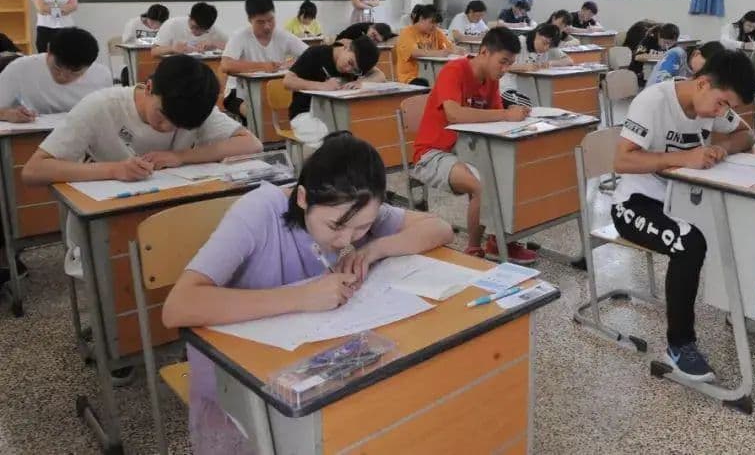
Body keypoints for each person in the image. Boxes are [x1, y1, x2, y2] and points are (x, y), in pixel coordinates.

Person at [161, 133, 453, 454]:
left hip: (312, 361)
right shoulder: (259, 212)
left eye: (361, 227)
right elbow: (178, 306)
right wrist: (301, 297)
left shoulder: (356, 209)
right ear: (303, 198)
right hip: (242, 377)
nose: (346, 240)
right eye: (334, 227)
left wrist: (373, 249)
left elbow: (439, 227)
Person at [612, 49, 755, 381]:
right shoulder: (653, 101)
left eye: (728, 108)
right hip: (635, 204)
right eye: (722, 104)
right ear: (703, 83)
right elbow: (622, 161)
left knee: (743, 221)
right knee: (688, 243)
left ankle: (744, 307)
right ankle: (679, 345)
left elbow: (746, 134)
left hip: (682, 201)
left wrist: (722, 147)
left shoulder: (710, 104)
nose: (721, 113)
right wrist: (683, 158)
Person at [22, 54, 261, 186]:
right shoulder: (101, 106)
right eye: (163, 115)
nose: (167, 128)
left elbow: (251, 144)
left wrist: (180, 156)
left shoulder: (193, 104)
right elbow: (33, 170)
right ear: (148, 88)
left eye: (179, 125)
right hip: (108, 210)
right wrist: (114, 169)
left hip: (171, 200)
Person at [412, 27, 535, 263]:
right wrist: (505, 114)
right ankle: (474, 249)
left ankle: (499, 241)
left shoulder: (491, 80)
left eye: (510, 64)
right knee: (482, 185)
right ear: (484, 52)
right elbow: (454, 114)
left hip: (465, 150)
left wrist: (511, 114)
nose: (505, 69)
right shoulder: (454, 70)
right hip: (433, 154)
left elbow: (496, 119)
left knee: (511, 173)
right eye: (503, 62)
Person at [221, 0, 308, 123]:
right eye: (260, 22)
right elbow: (226, 65)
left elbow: (310, 54)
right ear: (250, 20)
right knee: (255, 114)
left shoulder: (282, 35)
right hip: (239, 92)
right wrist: (263, 66)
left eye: (271, 20)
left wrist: (292, 63)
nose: (267, 26)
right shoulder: (240, 36)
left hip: (275, 90)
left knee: (298, 107)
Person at [0, 27, 111, 123]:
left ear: (89, 66)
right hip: (34, 135)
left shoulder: (102, 76)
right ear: (49, 51)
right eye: (57, 67)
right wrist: (7, 114)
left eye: (74, 72)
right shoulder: (20, 68)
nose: (62, 76)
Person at [283, 35, 385, 119]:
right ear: (347, 47)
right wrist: (321, 86)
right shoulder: (315, 53)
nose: (348, 69)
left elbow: (380, 75)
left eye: (355, 70)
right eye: (350, 62)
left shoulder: (359, 63)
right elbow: (288, 81)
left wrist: (360, 82)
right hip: (305, 114)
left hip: (337, 114)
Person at [500, 24, 574, 106]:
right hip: (507, 87)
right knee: (528, 105)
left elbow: (569, 61)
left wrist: (551, 63)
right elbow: (501, 66)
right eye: (544, 43)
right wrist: (524, 67)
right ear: (537, 34)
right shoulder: (519, 42)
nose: (546, 48)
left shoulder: (549, 45)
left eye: (550, 46)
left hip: (527, 90)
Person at [394, 5, 459, 85]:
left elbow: (450, 46)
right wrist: (438, 53)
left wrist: (458, 50)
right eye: (432, 22)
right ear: (421, 19)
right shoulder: (407, 33)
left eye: (437, 23)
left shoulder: (436, 32)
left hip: (432, 74)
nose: (435, 26)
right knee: (427, 83)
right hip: (411, 77)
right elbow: (414, 52)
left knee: (454, 80)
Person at [151, 3, 228, 57]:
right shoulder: (172, 24)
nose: (196, 32)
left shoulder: (214, 30)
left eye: (203, 30)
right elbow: (154, 51)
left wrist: (214, 43)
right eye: (194, 27)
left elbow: (231, 48)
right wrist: (172, 48)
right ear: (190, 18)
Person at [646, 41, 724, 87]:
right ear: (697, 54)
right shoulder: (676, 54)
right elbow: (661, 83)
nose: (705, 72)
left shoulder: (697, 71)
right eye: (705, 66)